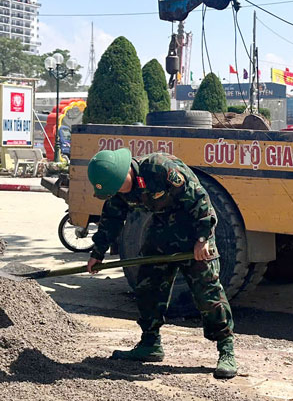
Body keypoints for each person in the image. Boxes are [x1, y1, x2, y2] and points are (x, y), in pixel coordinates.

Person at [85, 148, 237, 379]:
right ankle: (150, 343)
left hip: (194, 227)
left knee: (207, 290)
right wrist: (98, 252)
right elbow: (112, 218)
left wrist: (202, 238)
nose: (118, 193)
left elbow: (199, 199)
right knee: (148, 284)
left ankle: (226, 349)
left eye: (118, 187)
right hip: (163, 227)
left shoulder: (160, 168)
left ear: (126, 172)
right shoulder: (117, 188)